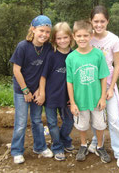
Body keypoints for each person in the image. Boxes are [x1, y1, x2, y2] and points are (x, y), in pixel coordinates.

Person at [66, 20, 111, 163]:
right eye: (79, 36)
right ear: (74, 36)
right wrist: (72, 102)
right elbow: (69, 82)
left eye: (85, 35)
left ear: (91, 35)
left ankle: (100, 146)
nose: (82, 39)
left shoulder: (98, 55)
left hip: (96, 98)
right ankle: (83, 145)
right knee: (82, 125)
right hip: (80, 100)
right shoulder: (71, 57)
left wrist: (103, 97)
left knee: (99, 124)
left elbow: (103, 77)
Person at [10, 15, 53, 164]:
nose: (44, 35)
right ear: (33, 29)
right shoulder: (23, 46)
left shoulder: (47, 48)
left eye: (48, 32)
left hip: (37, 91)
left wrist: (40, 91)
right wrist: (25, 90)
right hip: (22, 90)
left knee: (37, 120)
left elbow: (46, 70)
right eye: (41, 30)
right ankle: (16, 150)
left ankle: (39, 147)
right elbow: (16, 70)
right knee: (21, 122)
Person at [88, 5, 119, 168]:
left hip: (109, 84)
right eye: (95, 21)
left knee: (114, 119)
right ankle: (97, 142)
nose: (98, 25)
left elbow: (117, 65)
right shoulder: (87, 37)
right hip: (92, 85)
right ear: (90, 21)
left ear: (107, 21)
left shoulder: (113, 39)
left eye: (102, 21)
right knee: (96, 118)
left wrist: (111, 89)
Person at [38, 22, 75, 161]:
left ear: (70, 38)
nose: (62, 41)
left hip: (67, 97)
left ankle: (64, 138)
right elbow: (43, 76)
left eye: (65, 37)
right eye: (59, 39)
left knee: (70, 120)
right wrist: (42, 93)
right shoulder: (51, 55)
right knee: (52, 123)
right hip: (51, 97)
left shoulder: (74, 55)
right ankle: (57, 146)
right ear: (54, 40)